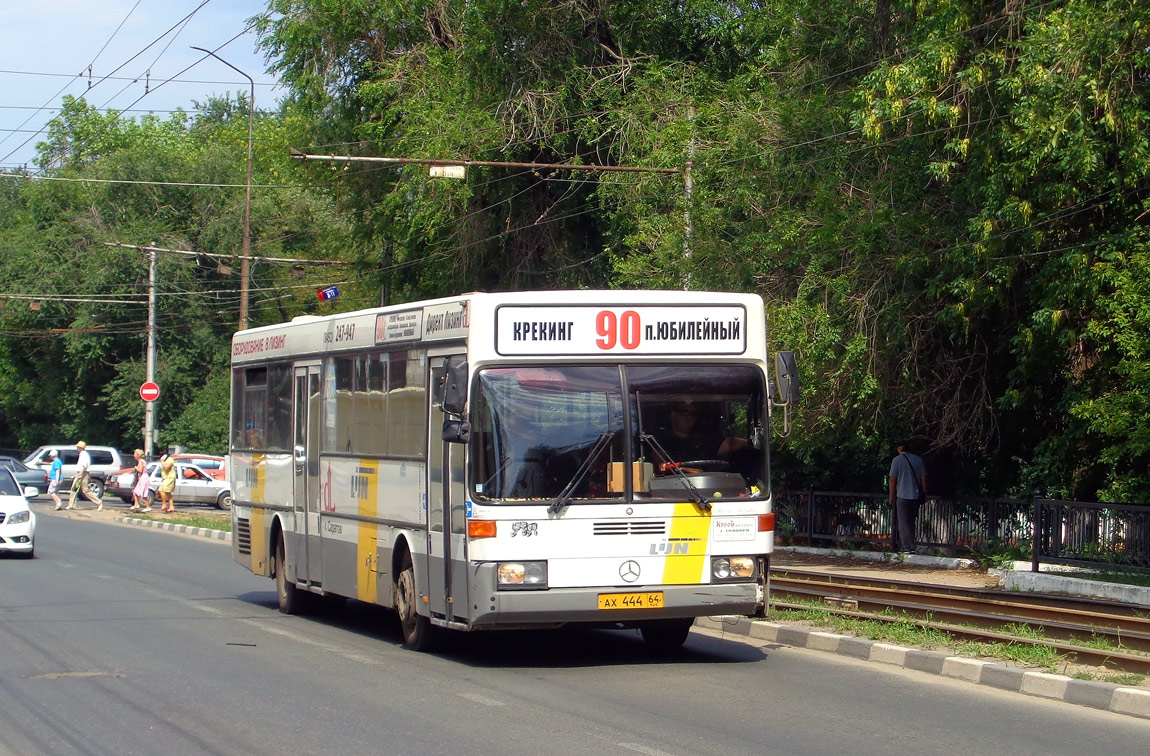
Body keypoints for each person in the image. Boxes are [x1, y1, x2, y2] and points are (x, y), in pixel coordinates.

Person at [888, 440, 928, 553]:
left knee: (903, 523)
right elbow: (924, 478)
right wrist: (924, 493)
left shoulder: (897, 460)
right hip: (915, 496)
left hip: (902, 495)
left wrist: (892, 495)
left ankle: (907, 547)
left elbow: (892, 479)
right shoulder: (918, 460)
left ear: (900, 448)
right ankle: (912, 545)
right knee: (911, 522)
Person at [68, 440, 104, 511]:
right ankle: (71, 504)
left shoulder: (84, 455)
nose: (77, 448)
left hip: (82, 473)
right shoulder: (82, 454)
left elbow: (85, 465)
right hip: (83, 473)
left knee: (81, 489)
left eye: (78, 447)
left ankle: (99, 502)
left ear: (81, 447)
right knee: (76, 489)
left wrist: (80, 473)